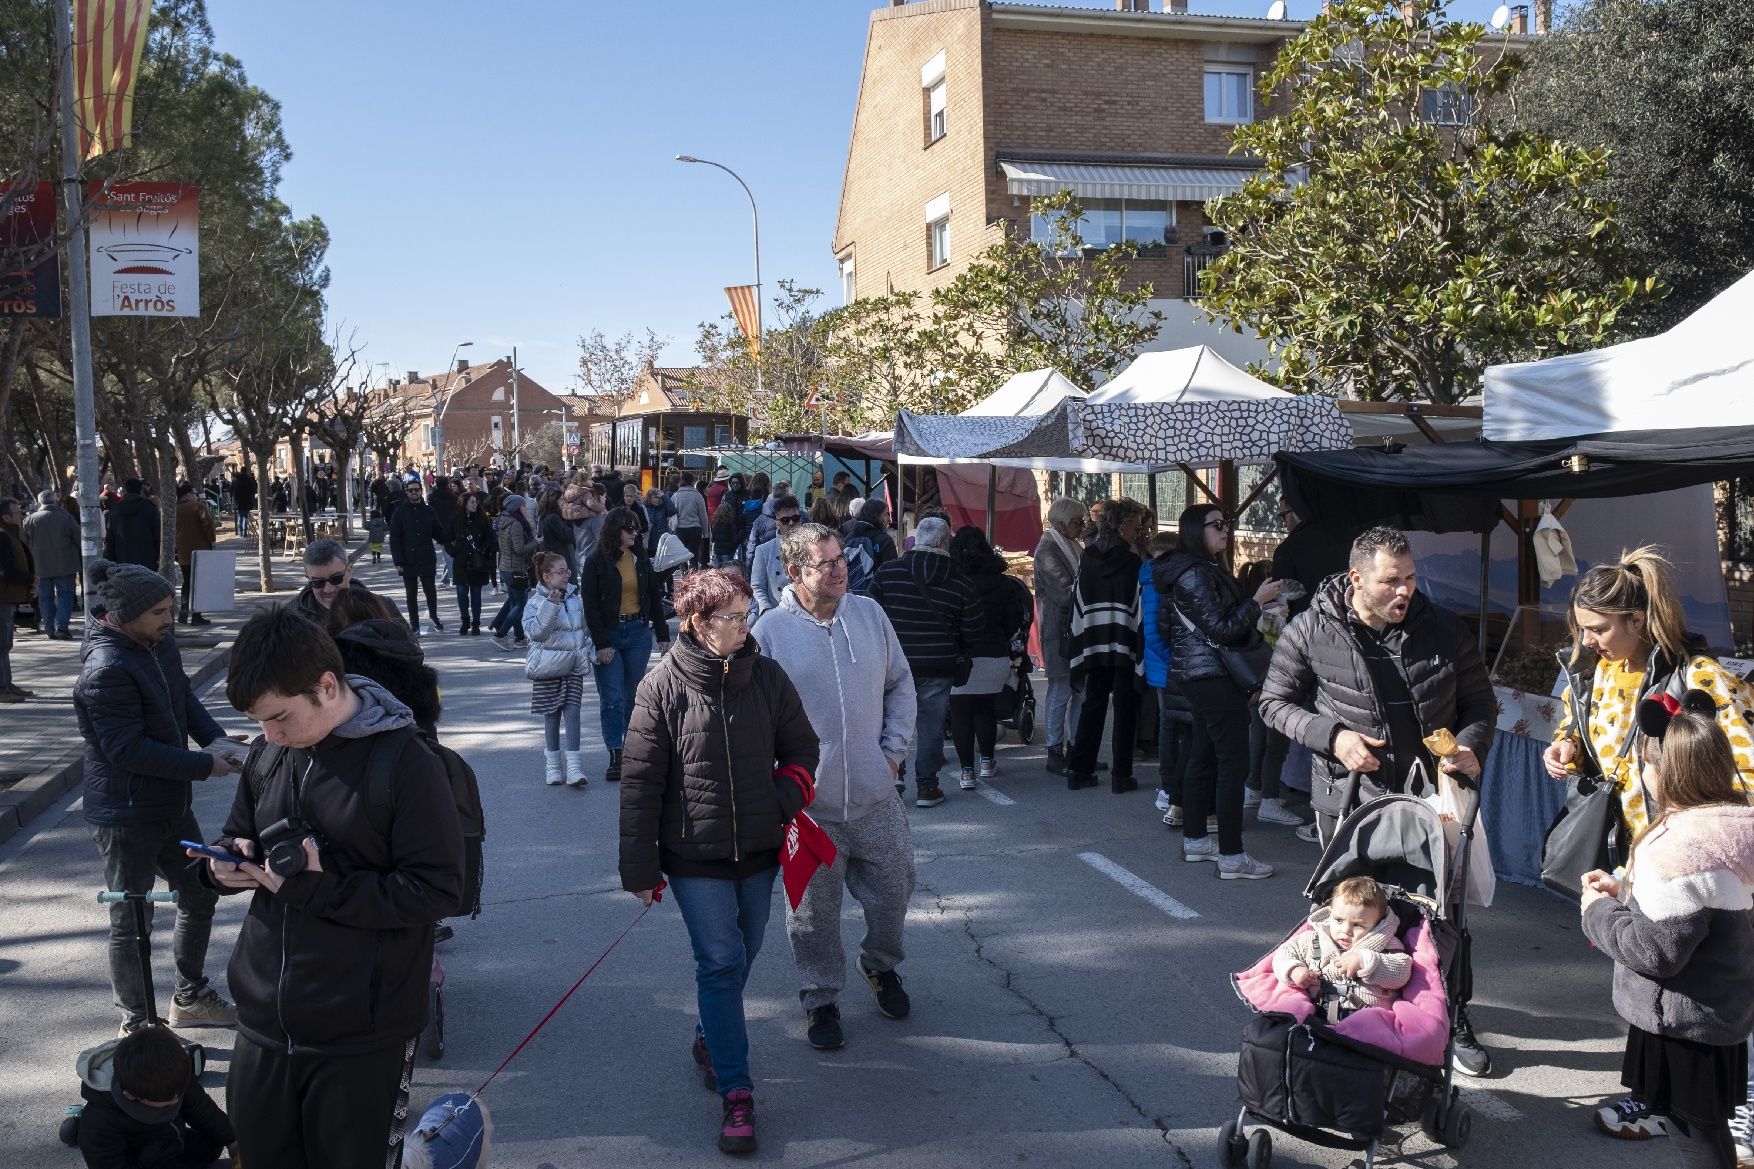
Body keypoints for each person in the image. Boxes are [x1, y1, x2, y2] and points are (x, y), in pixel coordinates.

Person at [192, 606, 463, 1169]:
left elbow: (436, 892)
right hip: (264, 1022)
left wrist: (318, 889)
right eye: (259, 722)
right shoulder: (271, 753)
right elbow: (238, 834)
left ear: (327, 685)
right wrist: (222, 868)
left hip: (361, 1035)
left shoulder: (408, 764)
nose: (267, 736)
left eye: (279, 718)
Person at [1259, 525, 1497, 1073]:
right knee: (1351, 917)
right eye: (1391, 581)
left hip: (1434, 798)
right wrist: (1333, 738)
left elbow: (1480, 702)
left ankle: (1451, 1017)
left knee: (1440, 915)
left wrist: (1468, 745)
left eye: (1411, 578)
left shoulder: (1441, 625)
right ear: (1357, 578)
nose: (1404, 591)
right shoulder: (1310, 628)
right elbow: (1273, 703)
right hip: (1349, 800)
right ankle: (1345, 1015)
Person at [1543, 547, 1754, 1141]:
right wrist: (1566, 750)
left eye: (1600, 630)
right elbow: (1581, 730)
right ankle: (1663, 1097)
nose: (1588, 644)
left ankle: (1735, 1113)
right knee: (1660, 980)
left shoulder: (1701, 679)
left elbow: (1747, 770)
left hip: (1710, 862)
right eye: (1581, 632)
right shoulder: (1591, 673)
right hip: (1645, 852)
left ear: (1638, 620)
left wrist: (1721, 849)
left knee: (1719, 987)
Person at [620, 567, 820, 1155]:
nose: (745, 625)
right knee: (720, 958)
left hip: (759, 851)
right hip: (692, 856)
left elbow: (803, 749)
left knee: (746, 950)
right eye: (733, 617)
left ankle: (710, 1033)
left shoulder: (767, 677)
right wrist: (640, 870)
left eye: (746, 613)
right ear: (698, 624)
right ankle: (737, 1092)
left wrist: (778, 800)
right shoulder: (660, 689)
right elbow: (639, 785)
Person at [752, 522, 917, 1053]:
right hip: (809, 811)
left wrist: (892, 754)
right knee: (812, 916)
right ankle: (820, 998)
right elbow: (754, 720)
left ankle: (882, 965)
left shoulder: (869, 615)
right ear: (796, 571)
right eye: (826, 562)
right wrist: (778, 785)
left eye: (841, 557)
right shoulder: (769, 634)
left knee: (896, 892)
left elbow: (901, 683)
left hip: (875, 797)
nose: (840, 568)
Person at [1581, 699, 1754, 1169]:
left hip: (1680, 1020)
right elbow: (1707, 911)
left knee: (1690, 1133)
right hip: (1725, 1012)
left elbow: (1656, 952)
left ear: (1661, 772)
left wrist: (1598, 910)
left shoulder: (1677, 847)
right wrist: (1628, 893)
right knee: (1709, 1126)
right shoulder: (1738, 829)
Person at [74, 560, 240, 1034]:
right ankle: (137, 1024)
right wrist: (206, 766)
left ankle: (189, 997)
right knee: (132, 921)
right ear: (123, 615)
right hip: (125, 815)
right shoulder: (105, 669)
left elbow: (183, 698)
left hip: (169, 805)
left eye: (171, 607)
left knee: (198, 892)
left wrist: (217, 741)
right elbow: (125, 749)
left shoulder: (155, 642)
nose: (171, 618)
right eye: (160, 612)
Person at [870, 516, 984, 808]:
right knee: (930, 725)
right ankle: (927, 788)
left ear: (916, 539)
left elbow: (871, 617)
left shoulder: (888, 573)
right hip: (938, 664)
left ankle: (894, 776)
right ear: (945, 542)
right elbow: (973, 629)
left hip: (894, 662)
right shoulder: (960, 581)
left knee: (893, 720)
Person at [1063, 498, 1151, 797]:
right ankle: (1121, 775)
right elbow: (1138, 606)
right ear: (1123, 526)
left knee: (1094, 701)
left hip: (1092, 640)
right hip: (1124, 640)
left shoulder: (1087, 557)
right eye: (1136, 527)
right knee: (1126, 706)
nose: (1138, 532)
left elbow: (1078, 600)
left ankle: (1080, 770)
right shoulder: (1131, 562)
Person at [580, 507, 671, 784]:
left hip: (637, 633)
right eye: (629, 529)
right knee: (613, 698)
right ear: (614, 531)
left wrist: (663, 633)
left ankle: (633, 751)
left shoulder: (639, 558)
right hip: (609, 634)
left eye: (636, 529)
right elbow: (591, 606)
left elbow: (654, 597)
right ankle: (615, 754)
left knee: (634, 696)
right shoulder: (596, 561)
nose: (635, 533)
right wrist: (601, 642)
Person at [73, 1025, 237, 1169]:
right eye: (167, 1103)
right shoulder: (101, 1122)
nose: (176, 1101)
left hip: (170, 1140)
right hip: (141, 1158)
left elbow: (201, 1109)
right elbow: (108, 1164)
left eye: (178, 1095)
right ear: (130, 1096)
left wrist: (232, 1140)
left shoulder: (172, 1076)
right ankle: (76, 1128)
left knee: (213, 1145)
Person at [946, 526, 1032, 790]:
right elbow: (1015, 620)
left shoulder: (952, 582)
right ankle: (987, 761)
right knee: (986, 711)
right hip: (994, 654)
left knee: (960, 714)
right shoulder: (1004, 583)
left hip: (961, 656)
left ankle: (967, 772)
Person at [1272, 876, 1412, 1021]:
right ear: (1330, 913)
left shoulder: (1386, 943)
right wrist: (1294, 970)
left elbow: (1402, 973)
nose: (1345, 930)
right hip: (1317, 1011)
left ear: (1377, 924)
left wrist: (1365, 961)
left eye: (1358, 925)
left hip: (1367, 1017)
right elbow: (1284, 953)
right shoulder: (1313, 939)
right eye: (1339, 920)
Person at [1139, 530, 1195, 824]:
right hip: (1167, 667)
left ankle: (1172, 789)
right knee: (1173, 731)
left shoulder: (1155, 580)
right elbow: (1153, 634)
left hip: (1165, 666)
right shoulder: (1155, 584)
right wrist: (1177, 659)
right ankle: (1169, 789)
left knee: (1172, 730)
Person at [524, 552, 591, 787]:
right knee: (551, 715)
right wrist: (551, 605)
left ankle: (574, 767)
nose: (566, 575)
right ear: (546, 576)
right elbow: (536, 633)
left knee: (573, 713)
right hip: (547, 667)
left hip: (573, 665)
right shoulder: (534, 603)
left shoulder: (574, 598)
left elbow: (583, 629)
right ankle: (552, 766)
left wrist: (588, 652)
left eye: (568, 571)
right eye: (561, 571)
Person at [1034, 498, 1087, 775]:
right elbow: (1063, 592)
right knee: (1061, 691)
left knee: (1080, 690)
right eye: (1078, 521)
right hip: (1059, 630)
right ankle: (1054, 750)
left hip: (1075, 628)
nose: (1082, 526)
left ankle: (1077, 748)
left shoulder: (1070, 544)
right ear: (1063, 522)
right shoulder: (1048, 548)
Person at [293, 539, 400, 625]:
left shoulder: (384, 607)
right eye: (317, 582)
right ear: (307, 577)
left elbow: (412, 649)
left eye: (336, 579)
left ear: (349, 571)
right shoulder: (290, 622)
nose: (328, 589)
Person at [389, 479, 445, 633]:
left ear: (421, 490)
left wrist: (448, 538)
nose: (414, 493)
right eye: (410, 490)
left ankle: (434, 616)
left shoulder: (429, 511)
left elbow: (438, 531)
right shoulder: (399, 513)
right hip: (408, 559)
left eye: (416, 490)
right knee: (411, 594)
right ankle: (414, 623)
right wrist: (398, 561)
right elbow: (395, 539)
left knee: (430, 591)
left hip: (427, 556)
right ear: (406, 493)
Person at [24, 489, 81, 639]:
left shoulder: (30, 520)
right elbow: (78, 539)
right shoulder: (66, 518)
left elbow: (23, 543)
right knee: (66, 595)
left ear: (39, 502)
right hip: (65, 565)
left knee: (44, 598)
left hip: (39, 566)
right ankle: (61, 626)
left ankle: (49, 628)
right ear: (55, 501)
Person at [489, 495, 541, 650]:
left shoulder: (502, 521)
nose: (526, 509)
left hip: (505, 567)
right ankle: (501, 635)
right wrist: (535, 542)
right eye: (523, 507)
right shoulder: (516, 524)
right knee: (520, 604)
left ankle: (519, 638)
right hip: (515, 568)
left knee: (513, 602)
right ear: (517, 508)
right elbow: (519, 549)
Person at [445, 491, 495, 636]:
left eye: (476, 502)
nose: (475, 504)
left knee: (476, 593)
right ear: (464, 504)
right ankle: (465, 621)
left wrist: (484, 550)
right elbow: (446, 539)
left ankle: (476, 623)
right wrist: (453, 552)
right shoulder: (455, 520)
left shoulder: (482, 519)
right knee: (461, 593)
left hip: (477, 563)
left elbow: (491, 538)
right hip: (461, 562)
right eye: (472, 502)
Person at [0, 497, 33, 700]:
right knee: (1, 644)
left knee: (6, 644)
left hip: (9, 596)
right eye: (17, 513)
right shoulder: (2, 537)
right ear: (5, 517)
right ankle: (2, 688)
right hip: (3, 596)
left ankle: (7, 684)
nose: (21, 515)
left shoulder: (10, 535)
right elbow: (8, 569)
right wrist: (31, 579)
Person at [750, 495, 803, 619]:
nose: (791, 523)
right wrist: (766, 610)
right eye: (785, 520)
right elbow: (757, 586)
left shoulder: (812, 546)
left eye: (795, 518)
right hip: (776, 613)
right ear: (777, 524)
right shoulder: (763, 550)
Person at [173, 483, 216, 627]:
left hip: (182, 551)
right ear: (188, 494)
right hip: (200, 550)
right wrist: (212, 539)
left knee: (187, 581)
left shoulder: (174, 508)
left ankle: (185, 607)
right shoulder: (198, 506)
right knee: (199, 582)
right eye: (194, 493)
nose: (196, 496)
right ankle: (197, 615)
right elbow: (207, 524)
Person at [104, 479, 160, 569]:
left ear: (126, 490)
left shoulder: (115, 510)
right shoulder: (150, 509)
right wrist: (159, 557)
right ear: (140, 490)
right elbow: (157, 535)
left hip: (122, 561)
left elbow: (110, 539)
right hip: (147, 561)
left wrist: (109, 560)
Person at [672, 473, 710, 566]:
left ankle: (684, 576)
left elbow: (671, 515)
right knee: (694, 557)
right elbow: (703, 516)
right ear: (692, 481)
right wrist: (705, 534)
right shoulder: (698, 496)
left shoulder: (675, 496)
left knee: (682, 557)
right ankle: (693, 577)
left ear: (681, 481)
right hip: (695, 529)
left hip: (680, 530)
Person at [430, 477, 459, 587]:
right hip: (452, 527)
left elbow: (432, 514)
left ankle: (452, 578)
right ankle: (445, 579)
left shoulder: (433, 498)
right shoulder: (454, 497)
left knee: (447, 554)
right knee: (448, 553)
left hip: (440, 528)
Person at [710, 499, 742, 568]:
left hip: (717, 551)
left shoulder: (715, 524)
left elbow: (712, 539)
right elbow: (735, 539)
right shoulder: (731, 523)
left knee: (718, 572)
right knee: (727, 570)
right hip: (728, 551)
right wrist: (741, 534)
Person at [232, 465, 257, 538]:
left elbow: (231, 490)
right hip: (247, 500)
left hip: (238, 501)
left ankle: (241, 532)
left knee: (240, 516)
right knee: (246, 516)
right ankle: (245, 531)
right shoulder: (249, 479)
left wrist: (234, 500)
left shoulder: (235, 480)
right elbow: (253, 490)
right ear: (246, 471)